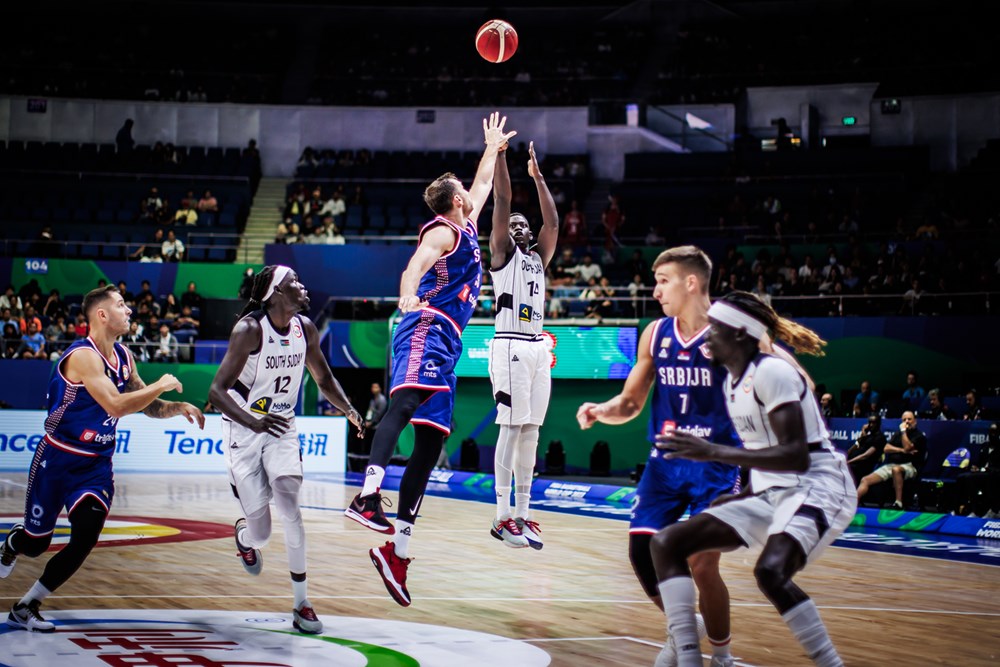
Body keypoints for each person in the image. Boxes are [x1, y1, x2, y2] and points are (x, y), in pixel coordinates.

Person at [343, 112, 515, 608]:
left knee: (431, 439)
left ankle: (397, 551)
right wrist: (405, 296)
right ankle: (368, 495)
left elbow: (484, 181)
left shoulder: (467, 222)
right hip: (426, 325)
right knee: (404, 404)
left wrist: (492, 147)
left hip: (450, 339)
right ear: (456, 202)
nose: (472, 193)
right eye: (465, 191)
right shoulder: (442, 230)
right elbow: (415, 265)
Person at [650, 290, 855, 667]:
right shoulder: (733, 382)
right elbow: (764, 450)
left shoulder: (773, 371)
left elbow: (794, 454)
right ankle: (691, 657)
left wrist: (713, 452)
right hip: (770, 489)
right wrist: (740, 495)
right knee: (667, 543)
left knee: (771, 572)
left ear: (740, 334)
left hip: (819, 485)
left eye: (716, 328)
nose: (707, 335)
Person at [576, 246, 745, 667]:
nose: (655, 291)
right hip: (665, 463)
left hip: (717, 462)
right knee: (642, 551)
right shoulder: (655, 333)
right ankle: (682, 629)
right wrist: (601, 411)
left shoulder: (730, 332)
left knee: (703, 564)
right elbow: (632, 404)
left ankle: (721, 657)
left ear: (691, 283)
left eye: (663, 280)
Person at [0, 285, 204, 631]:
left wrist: (176, 407)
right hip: (58, 457)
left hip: (95, 464)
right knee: (36, 544)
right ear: (102, 315)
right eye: (122, 305)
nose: (130, 311)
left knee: (86, 536)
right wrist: (161, 384)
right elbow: (115, 404)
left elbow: (146, 405)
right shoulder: (83, 356)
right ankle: (11, 544)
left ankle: (27, 605)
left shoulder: (125, 357)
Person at [208, 265, 364, 634]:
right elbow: (216, 392)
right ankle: (245, 537)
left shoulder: (305, 328)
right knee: (261, 533)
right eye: (294, 282)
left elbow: (324, 378)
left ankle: (301, 603)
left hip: (282, 424)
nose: (302, 285)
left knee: (291, 506)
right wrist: (252, 421)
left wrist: (350, 409)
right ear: (276, 292)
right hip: (244, 428)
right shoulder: (249, 330)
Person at [487, 140, 558, 550]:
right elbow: (502, 198)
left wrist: (539, 177)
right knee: (511, 427)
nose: (516, 227)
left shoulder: (538, 257)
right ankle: (500, 517)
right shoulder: (502, 255)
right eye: (510, 224)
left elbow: (553, 224)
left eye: (520, 225)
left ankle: (524, 513)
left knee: (531, 429)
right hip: (509, 344)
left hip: (536, 348)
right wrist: (499, 156)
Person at [857, 411, 927, 509]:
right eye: (904, 420)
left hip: (910, 466)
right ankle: (852, 503)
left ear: (915, 421)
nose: (906, 422)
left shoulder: (919, 436)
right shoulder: (897, 434)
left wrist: (903, 432)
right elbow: (886, 448)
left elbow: (908, 447)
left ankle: (898, 503)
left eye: (909, 419)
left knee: (896, 470)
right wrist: (902, 450)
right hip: (891, 465)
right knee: (865, 480)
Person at [955, 423, 1000, 517]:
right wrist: (975, 467)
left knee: (970, 478)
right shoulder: (985, 446)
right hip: (982, 473)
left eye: (995, 432)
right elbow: (980, 463)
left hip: (993, 474)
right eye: (990, 432)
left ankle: (976, 510)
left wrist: (986, 469)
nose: (992, 435)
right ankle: (958, 509)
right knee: (960, 477)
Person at [846, 414, 887, 485]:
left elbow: (866, 455)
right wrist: (863, 434)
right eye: (869, 423)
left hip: (863, 465)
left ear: (878, 424)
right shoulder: (867, 436)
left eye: (873, 423)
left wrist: (849, 462)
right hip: (854, 461)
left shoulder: (880, 438)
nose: (871, 425)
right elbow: (853, 448)